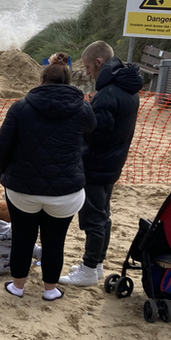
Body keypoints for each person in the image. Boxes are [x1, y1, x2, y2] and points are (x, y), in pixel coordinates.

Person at [0, 53, 95, 301]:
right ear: (69, 81)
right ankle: (50, 290)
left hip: (22, 190)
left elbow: (1, 144)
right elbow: (92, 133)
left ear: (42, 79)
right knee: (54, 241)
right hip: (66, 191)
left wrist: (5, 172)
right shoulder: (83, 108)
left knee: (22, 237)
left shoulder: (20, 107)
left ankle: (17, 286)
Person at [60, 41, 142, 287]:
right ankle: (95, 265)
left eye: (87, 67)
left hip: (97, 162)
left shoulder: (108, 93)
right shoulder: (127, 87)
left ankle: (88, 267)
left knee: (93, 218)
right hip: (113, 161)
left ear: (99, 62)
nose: (86, 72)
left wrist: (81, 123)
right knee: (103, 215)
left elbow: (98, 132)